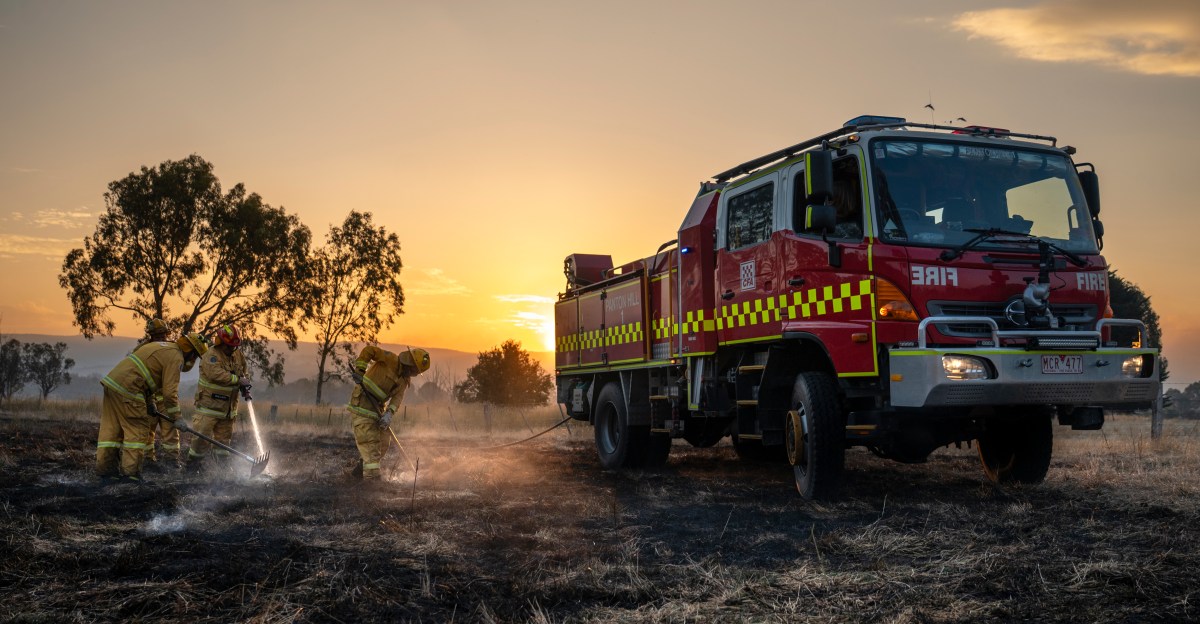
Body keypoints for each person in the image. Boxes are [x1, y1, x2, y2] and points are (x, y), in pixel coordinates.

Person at [97, 331, 208, 483]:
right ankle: (130, 475)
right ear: (190, 351)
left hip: (113, 384)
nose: (193, 360)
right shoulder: (176, 358)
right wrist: (178, 418)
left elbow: (145, 374)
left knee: (112, 430)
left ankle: (106, 471)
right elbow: (169, 394)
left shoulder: (163, 347)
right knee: (138, 429)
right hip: (130, 389)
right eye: (195, 356)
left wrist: (150, 402)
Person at [346, 345, 430, 481]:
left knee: (384, 441)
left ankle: (359, 472)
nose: (414, 374)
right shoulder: (389, 359)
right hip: (362, 404)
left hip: (377, 409)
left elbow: (397, 398)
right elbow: (369, 350)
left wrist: (389, 413)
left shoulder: (404, 380)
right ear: (410, 363)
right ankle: (371, 483)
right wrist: (360, 370)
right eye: (415, 370)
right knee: (370, 445)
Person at [185, 324, 250, 473]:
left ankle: (222, 468)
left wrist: (245, 384)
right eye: (229, 346)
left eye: (234, 346)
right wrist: (237, 380)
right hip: (208, 409)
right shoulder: (211, 356)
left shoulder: (238, 355)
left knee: (223, 442)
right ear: (220, 342)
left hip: (227, 411)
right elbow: (216, 374)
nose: (232, 349)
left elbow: (244, 372)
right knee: (201, 440)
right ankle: (192, 467)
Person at [139, 318, 181, 472]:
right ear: (150, 335)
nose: (160, 338)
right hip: (147, 399)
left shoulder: (172, 350)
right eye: (157, 335)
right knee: (146, 432)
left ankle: (172, 461)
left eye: (162, 335)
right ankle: (147, 460)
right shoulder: (142, 350)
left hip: (166, 400)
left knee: (170, 431)